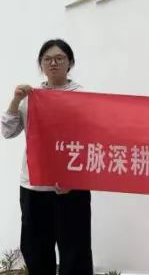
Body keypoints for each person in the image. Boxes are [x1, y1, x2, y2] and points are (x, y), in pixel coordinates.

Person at [1, 39, 93, 275]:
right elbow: (8, 132)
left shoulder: (84, 97)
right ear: (41, 64)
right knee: (36, 249)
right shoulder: (30, 97)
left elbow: (92, 141)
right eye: (48, 59)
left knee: (76, 249)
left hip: (72, 188)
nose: (53, 63)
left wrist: (76, 180)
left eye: (60, 58)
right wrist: (15, 100)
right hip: (34, 187)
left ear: (70, 63)